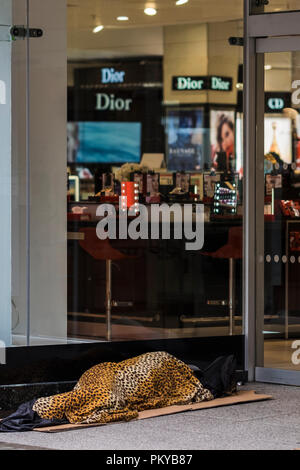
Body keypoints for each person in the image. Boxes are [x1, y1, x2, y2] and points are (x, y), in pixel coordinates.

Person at [0, 352, 237, 432]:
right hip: (112, 374)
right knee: (103, 396)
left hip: (105, 374)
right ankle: (37, 408)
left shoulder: (178, 372)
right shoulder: (175, 369)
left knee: (101, 396)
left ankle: (36, 408)